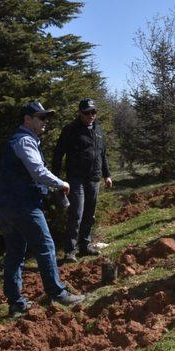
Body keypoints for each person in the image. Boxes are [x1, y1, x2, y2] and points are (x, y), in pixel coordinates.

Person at [0, 102, 86, 317]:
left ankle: (16, 304)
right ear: (28, 119)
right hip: (22, 204)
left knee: (15, 253)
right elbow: (38, 172)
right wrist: (61, 183)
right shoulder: (25, 141)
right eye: (41, 117)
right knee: (45, 246)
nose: (46, 122)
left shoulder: (19, 140)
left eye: (47, 118)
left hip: (6, 205)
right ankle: (58, 293)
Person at [53, 98, 112, 263]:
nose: (91, 115)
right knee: (76, 213)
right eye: (87, 112)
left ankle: (85, 245)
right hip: (76, 178)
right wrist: (56, 178)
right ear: (80, 113)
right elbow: (58, 154)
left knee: (89, 213)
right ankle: (70, 251)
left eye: (94, 112)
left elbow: (102, 154)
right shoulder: (71, 130)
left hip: (94, 178)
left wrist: (107, 175)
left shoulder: (98, 129)